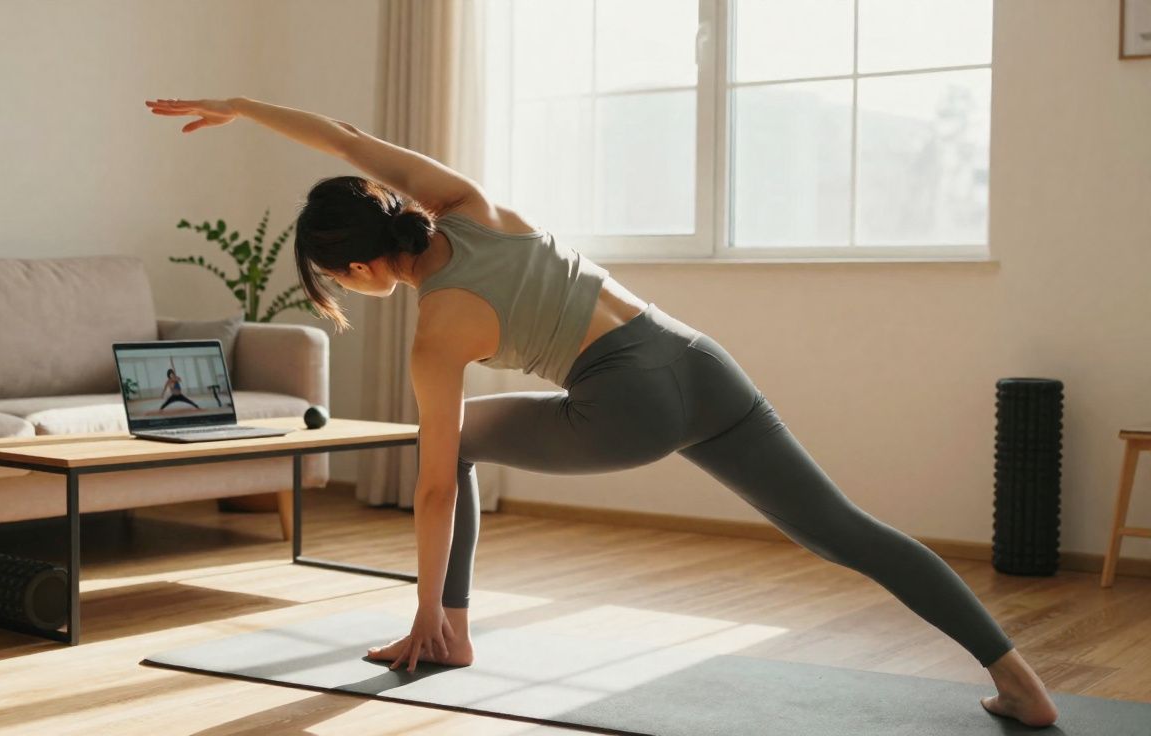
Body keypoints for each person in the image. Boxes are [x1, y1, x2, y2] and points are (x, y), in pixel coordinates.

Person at [144, 96, 1060, 728]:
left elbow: (430, 488)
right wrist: (244, 105)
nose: (344, 289)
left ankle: (450, 632)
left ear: (359, 267)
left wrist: (421, 606)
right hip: (699, 360)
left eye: (337, 279)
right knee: (841, 529)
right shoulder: (468, 206)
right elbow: (348, 139)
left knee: (452, 447)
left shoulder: (438, 332)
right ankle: (1018, 679)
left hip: (626, 403)